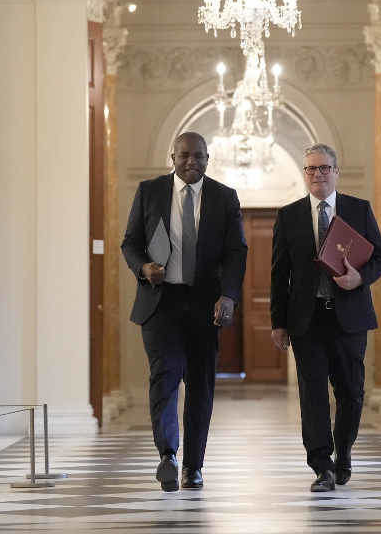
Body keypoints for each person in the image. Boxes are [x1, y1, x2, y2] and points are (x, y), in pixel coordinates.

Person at [121, 131, 248, 492]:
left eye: (198, 156)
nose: (191, 161)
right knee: (164, 379)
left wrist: (228, 296)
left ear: (208, 159)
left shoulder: (224, 197)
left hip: (205, 306)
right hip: (161, 303)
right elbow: (130, 243)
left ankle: (193, 466)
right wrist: (144, 268)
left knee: (200, 386)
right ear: (172, 157)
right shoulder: (150, 192)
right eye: (184, 155)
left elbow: (236, 252)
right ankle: (168, 455)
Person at [270, 143, 381, 492]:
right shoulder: (289, 216)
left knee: (351, 392)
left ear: (337, 172)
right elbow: (279, 274)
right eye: (311, 169)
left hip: (349, 318)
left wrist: (359, 279)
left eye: (324, 168)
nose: (318, 174)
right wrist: (278, 322)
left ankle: (345, 454)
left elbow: (380, 260)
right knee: (313, 395)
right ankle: (322, 465)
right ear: (304, 174)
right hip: (306, 321)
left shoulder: (359, 210)